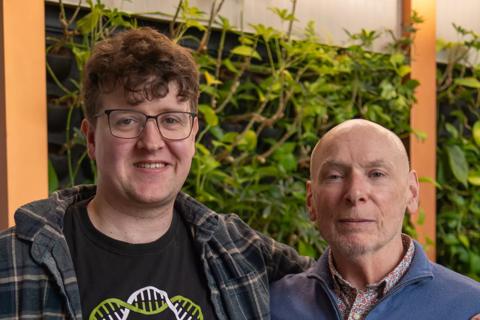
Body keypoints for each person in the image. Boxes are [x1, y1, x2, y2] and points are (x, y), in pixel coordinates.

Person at [0, 27, 311, 320]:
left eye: (171, 120)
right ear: (92, 138)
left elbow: (347, 284)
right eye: (127, 121)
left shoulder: (242, 254)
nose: (151, 143)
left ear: (193, 133)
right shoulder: (12, 263)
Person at [270, 119, 480, 320]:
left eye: (377, 174)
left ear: (412, 192)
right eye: (335, 176)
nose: (355, 192)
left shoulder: (470, 306)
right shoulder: (271, 306)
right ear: (311, 200)